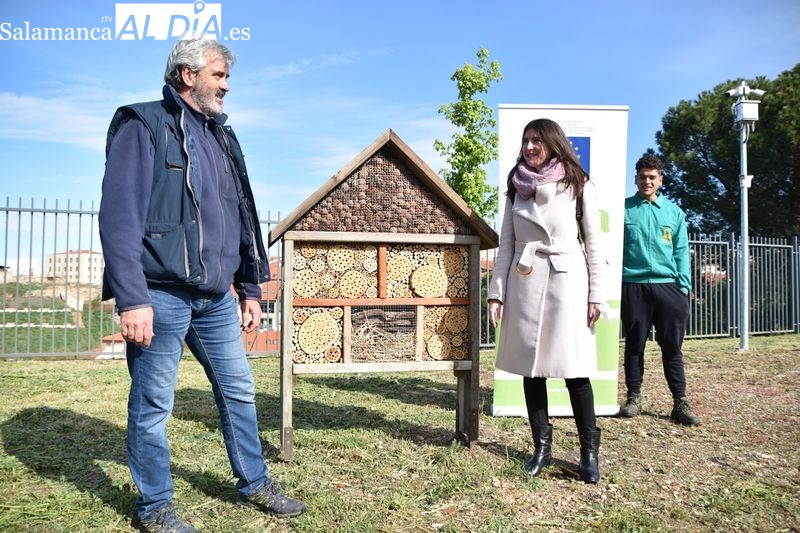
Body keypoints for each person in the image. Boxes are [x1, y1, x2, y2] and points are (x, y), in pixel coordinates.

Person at [99, 38, 306, 531]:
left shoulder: (221, 137)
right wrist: (132, 298)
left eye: (227, 76)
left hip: (214, 299)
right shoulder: (143, 124)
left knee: (239, 391)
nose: (226, 85)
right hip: (159, 294)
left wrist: (249, 288)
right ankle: (155, 507)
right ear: (187, 75)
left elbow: (240, 217)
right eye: (219, 75)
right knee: (154, 403)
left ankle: (254, 481)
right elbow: (119, 216)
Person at [488, 118, 607, 484]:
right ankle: (542, 448)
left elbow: (594, 243)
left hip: (567, 282)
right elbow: (506, 245)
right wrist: (496, 292)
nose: (529, 147)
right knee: (531, 368)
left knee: (575, 371)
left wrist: (597, 294)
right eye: (526, 140)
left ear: (554, 143)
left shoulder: (577, 183)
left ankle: (589, 453)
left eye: (537, 140)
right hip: (525, 281)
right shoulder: (515, 186)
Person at [618, 154, 701, 426]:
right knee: (634, 345)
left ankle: (680, 401)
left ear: (661, 180)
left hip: (668, 287)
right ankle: (634, 397)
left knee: (672, 347)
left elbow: (681, 252)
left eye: (652, 177)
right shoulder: (624, 210)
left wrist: (683, 287)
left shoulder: (674, 213)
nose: (647, 181)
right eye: (643, 177)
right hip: (633, 287)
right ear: (635, 179)